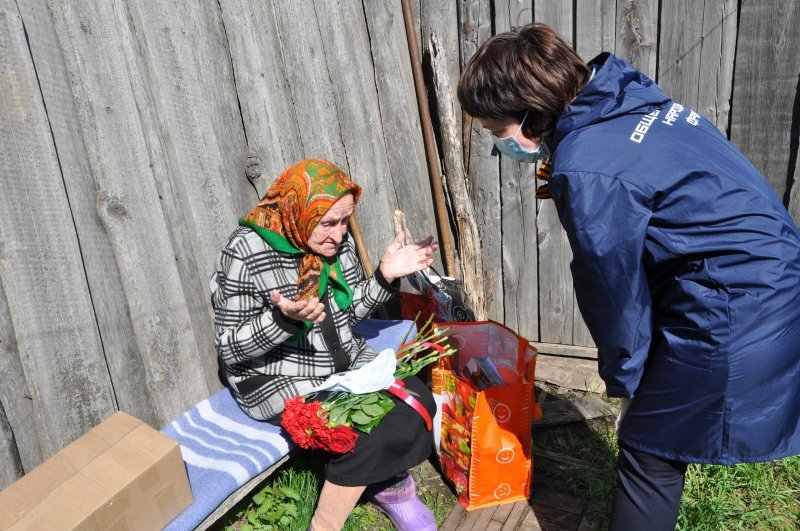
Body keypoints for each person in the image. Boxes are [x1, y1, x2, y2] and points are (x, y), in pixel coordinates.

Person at [457, 23, 800, 530]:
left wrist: (625, 381)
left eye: (496, 132)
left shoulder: (587, 166)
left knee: (649, 448)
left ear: (531, 114)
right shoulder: (632, 104)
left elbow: (614, 292)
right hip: (765, 272)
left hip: (737, 302)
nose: (498, 146)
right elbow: (655, 180)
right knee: (659, 436)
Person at [210, 158, 439, 531]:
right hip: (276, 376)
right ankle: (328, 522)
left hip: (340, 361)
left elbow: (348, 315)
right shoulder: (244, 253)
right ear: (299, 210)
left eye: (345, 220)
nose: (339, 233)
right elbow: (231, 350)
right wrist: (283, 321)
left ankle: (387, 486)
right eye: (328, 222)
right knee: (363, 433)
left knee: (417, 398)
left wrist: (384, 275)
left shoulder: (336, 242)